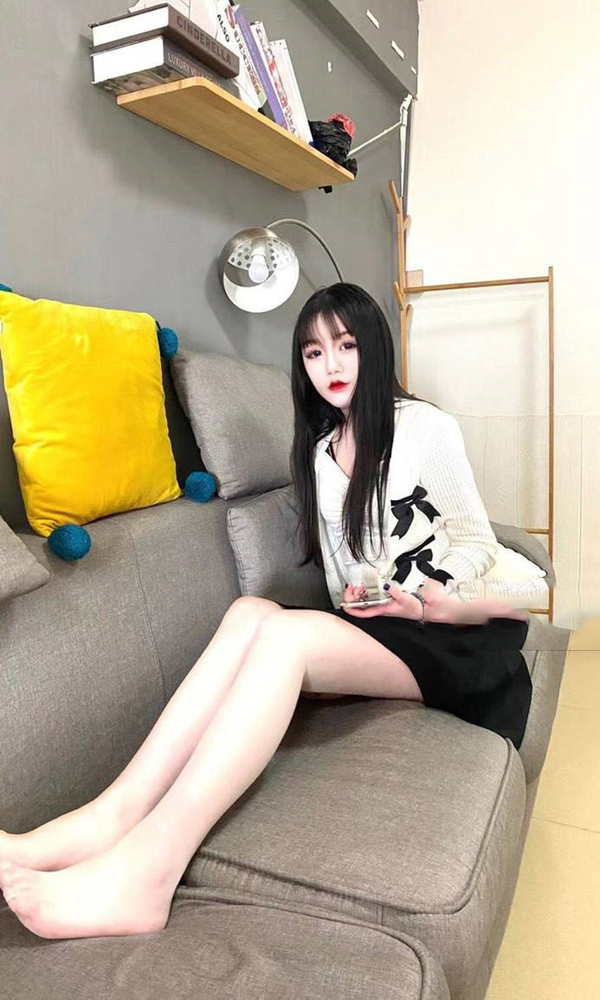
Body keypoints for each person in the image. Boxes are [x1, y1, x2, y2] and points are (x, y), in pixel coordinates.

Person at [0, 283, 540, 942]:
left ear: (374, 348)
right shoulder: (318, 451)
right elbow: (343, 577)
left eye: (345, 346)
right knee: (248, 612)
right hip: (381, 625)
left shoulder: (426, 427)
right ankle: (107, 817)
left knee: (284, 636)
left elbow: (477, 544)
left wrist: (419, 594)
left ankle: (149, 873)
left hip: (449, 636)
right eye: (313, 353)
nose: (330, 366)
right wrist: (363, 598)